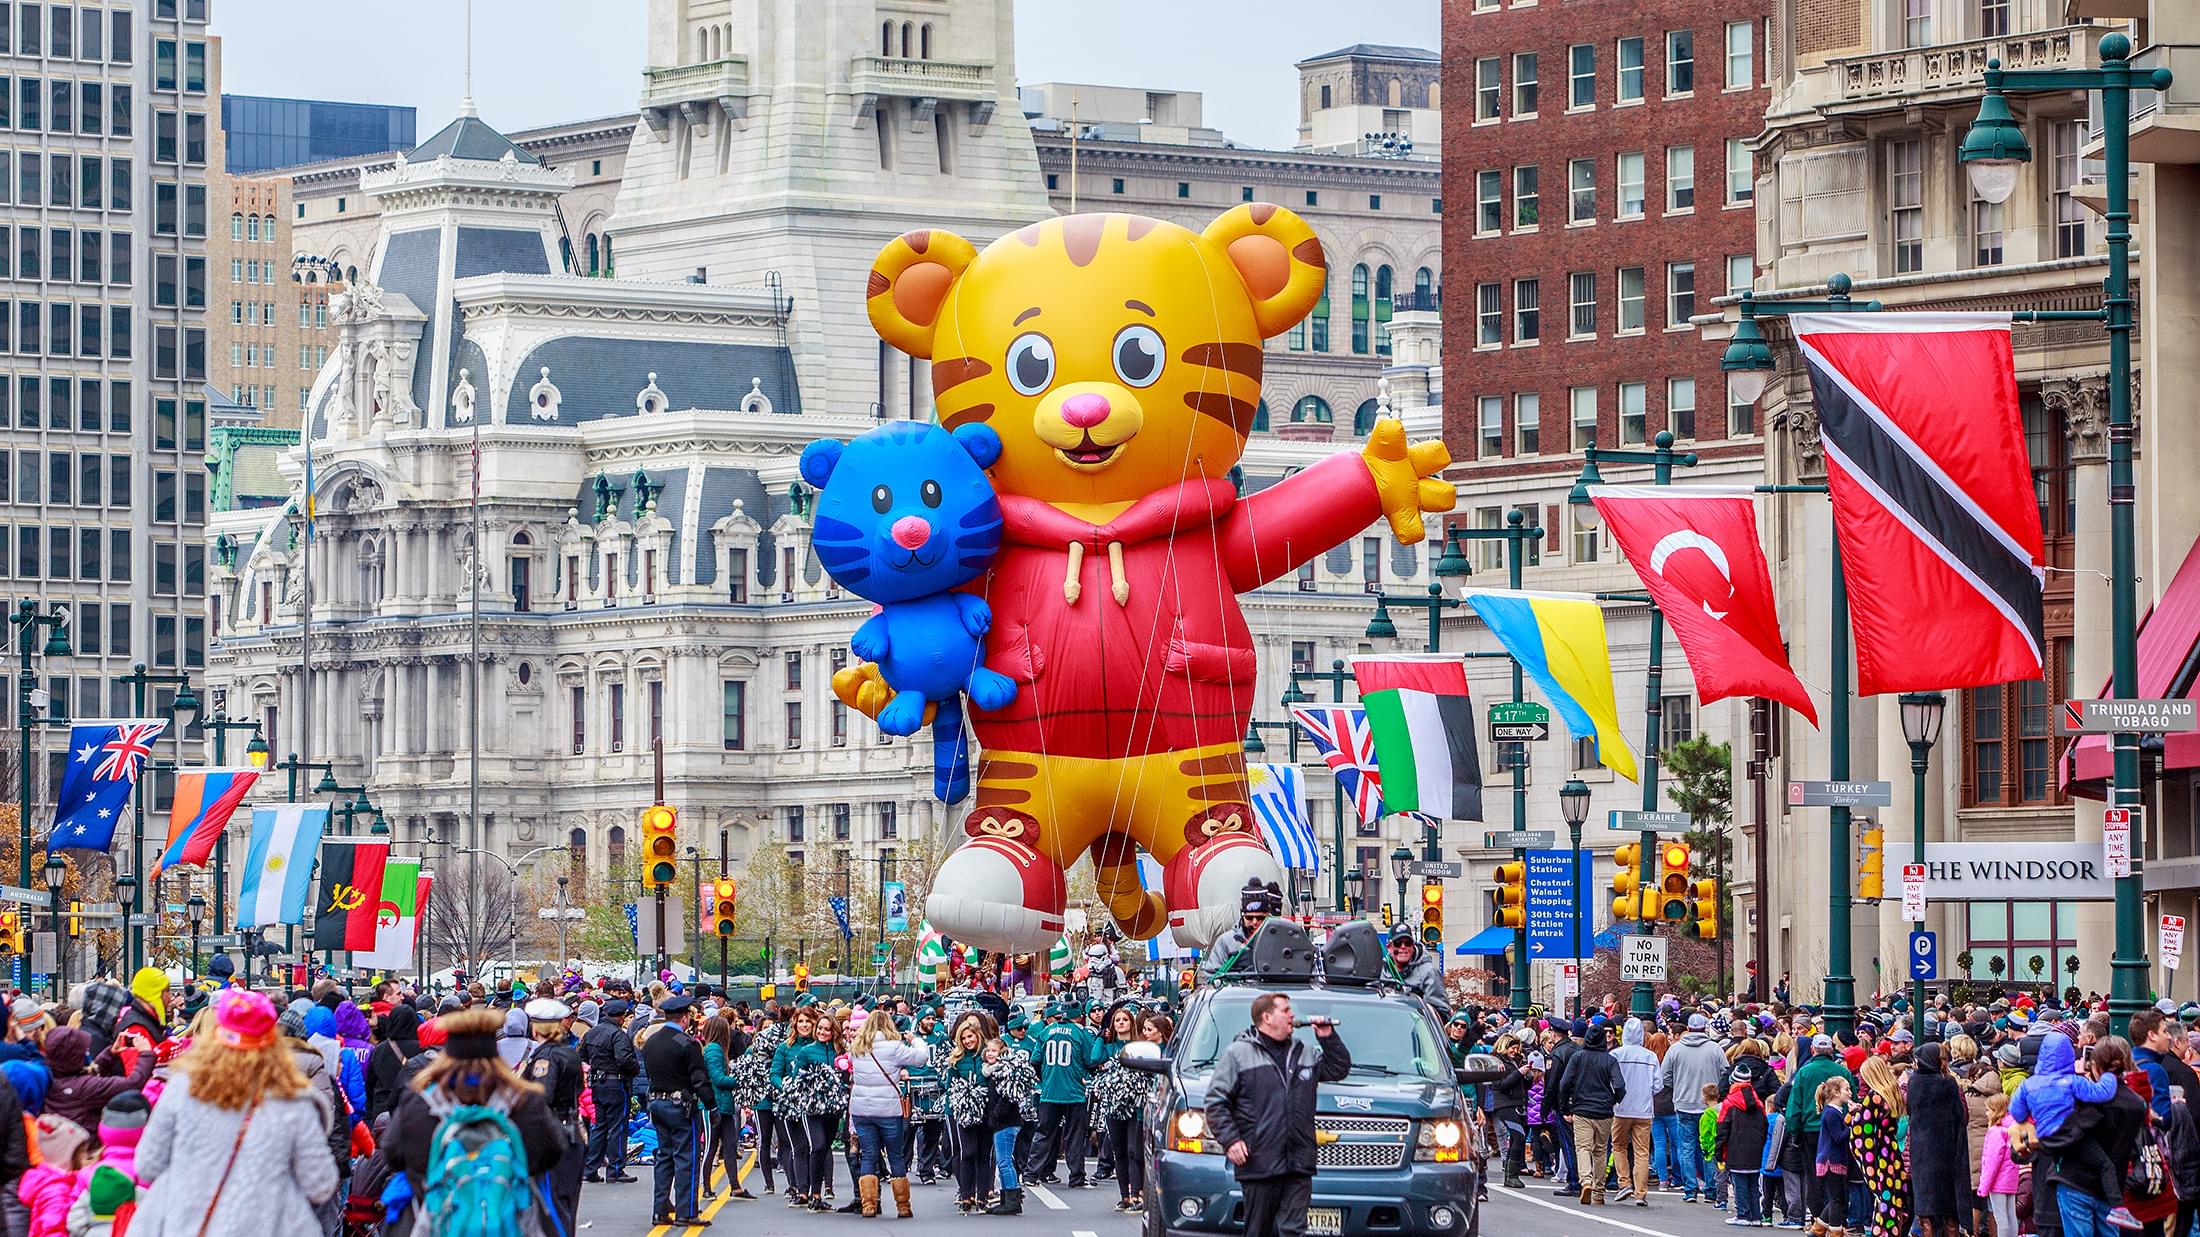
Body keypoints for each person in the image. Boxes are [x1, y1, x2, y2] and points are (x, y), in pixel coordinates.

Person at [131, 989, 340, 1236]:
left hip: (190, 1224)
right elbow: (320, 1184)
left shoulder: (182, 1089)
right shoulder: (293, 1102)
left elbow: (148, 1165)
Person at [382, 1006, 567, 1237]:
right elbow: (552, 1151)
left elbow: (392, 1153)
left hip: (437, 1222)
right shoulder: (524, 1101)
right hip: (507, 1223)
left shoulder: (419, 1102)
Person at [1204, 993, 1350, 1237]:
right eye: (1286, 1010)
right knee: (1258, 1230)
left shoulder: (1304, 1053)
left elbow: (1338, 1069)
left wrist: (1328, 1037)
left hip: (1298, 1161)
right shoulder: (1238, 1054)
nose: (1292, 1015)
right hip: (1260, 1161)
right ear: (1267, 1017)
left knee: (1292, 1230)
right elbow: (1216, 1102)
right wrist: (1231, 1140)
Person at [2038, 1036, 2146, 1237]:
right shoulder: (2136, 1103)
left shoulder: (2088, 1099)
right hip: (2111, 1187)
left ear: (2095, 1066)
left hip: (2076, 1180)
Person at [639, 992, 714, 1228]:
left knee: (664, 1156)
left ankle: (660, 1210)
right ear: (684, 1018)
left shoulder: (651, 1041)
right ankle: (687, 1211)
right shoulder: (688, 1044)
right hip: (680, 1104)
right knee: (686, 1158)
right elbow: (699, 1078)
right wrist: (710, 1104)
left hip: (657, 1102)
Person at [517, 997, 588, 1236]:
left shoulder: (545, 1058)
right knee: (567, 1202)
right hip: (571, 1131)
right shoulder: (569, 1053)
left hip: (553, 1135)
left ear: (535, 1028)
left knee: (551, 1202)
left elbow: (541, 1099)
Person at [848, 1010, 929, 1218]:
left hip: (861, 1109)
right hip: (888, 1109)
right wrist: (916, 1040)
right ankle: (903, 1206)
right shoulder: (894, 1048)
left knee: (869, 1155)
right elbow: (921, 1058)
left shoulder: (856, 1048)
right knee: (895, 1156)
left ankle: (868, 1205)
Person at [1028, 1002, 1102, 1187]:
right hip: (1073, 1093)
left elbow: (1035, 1060)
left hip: (1050, 1091)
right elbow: (1090, 1060)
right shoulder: (1080, 1032)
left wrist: (1045, 1079)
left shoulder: (1047, 1031)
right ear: (1078, 1015)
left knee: (1044, 1133)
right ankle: (1076, 1176)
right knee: (1074, 1135)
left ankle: (1031, 1174)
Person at [1659, 1012, 1728, 1203]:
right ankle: (1710, 1189)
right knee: (1708, 1147)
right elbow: (1725, 1073)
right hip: (1709, 1105)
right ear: (1705, 1028)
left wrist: (1680, 1087)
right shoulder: (1715, 1049)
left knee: (1686, 1147)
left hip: (1684, 1103)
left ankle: (1690, 1189)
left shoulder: (1675, 1050)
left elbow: (1665, 1076)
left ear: (1688, 1029)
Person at [1554, 1022, 1625, 1206]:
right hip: (1603, 1110)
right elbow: (1619, 1085)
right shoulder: (1610, 1060)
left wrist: (1565, 1106)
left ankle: (1586, 1180)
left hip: (1582, 1108)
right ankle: (1599, 1191)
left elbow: (1564, 1083)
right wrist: (1614, 1100)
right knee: (1600, 1150)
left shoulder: (1578, 1057)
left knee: (1583, 1147)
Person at [1906, 1042, 1969, 1237]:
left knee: (1925, 1207)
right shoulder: (1948, 1083)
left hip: (1921, 1152)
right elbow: (1961, 1115)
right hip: (1946, 1151)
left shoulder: (1914, 1083)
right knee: (1949, 1207)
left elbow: (1909, 1111)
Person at [579, 997, 639, 1183]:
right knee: (618, 1127)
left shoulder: (592, 1033)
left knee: (599, 1126)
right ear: (621, 1017)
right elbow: (624, 1059)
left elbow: (582, 1055)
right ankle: (615, 1169)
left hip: (598, 1084)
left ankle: (591, 1168)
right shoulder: (618, 1035)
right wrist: (634, 1068)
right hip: (616, 1083)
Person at [1715, 1061, 1769, 1227]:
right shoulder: (1759, 1103)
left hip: (1735, 1148)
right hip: (1755, 1149)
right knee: (1753, 1184)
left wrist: (1719, 1152)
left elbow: (1722, 1128)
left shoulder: (1729, 1103)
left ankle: (1743, 1214)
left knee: (1739, 1184)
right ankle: (1756, 1215)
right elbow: (1764, 1125)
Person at [1611, 1017, 1658, 1206]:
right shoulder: (1650, 1056)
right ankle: (1641, 1192)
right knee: (1642, 1152)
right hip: (1644, 1109)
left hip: (1621, 1108)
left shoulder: (1615, 1054)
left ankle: (1624, 1182)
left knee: (1619, 1146)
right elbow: (1658, 1084)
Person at [1201, 880, 1281, 978]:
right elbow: (1211, 976)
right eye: (1249, 918)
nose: (1255, 922)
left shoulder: (1280, 941)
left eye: (1260, 918)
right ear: (1242, 916)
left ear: (1267, 916)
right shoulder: (1226, 942)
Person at [1815, 1076, 1854, 1237]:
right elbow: (1838, 1136)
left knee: (1837, 1197)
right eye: (1847, 1089)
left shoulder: (1835, 1112)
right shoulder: (1831, 1113)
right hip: (1831, 1160)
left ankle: (1817, 1229)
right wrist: (1852, 1119)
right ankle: (1835, 1231)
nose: (1850, 1093)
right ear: (1836, 1093)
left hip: (1834, 1159)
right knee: (1837, 1199)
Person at [1384, 933, 1451, 1022]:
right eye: (1398, 943)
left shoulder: (1429, 972)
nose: (1403, 947)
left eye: (1407, 943)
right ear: (1389, 947)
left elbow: (1442, 1013)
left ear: (1413, 946)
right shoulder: (1380, 971)